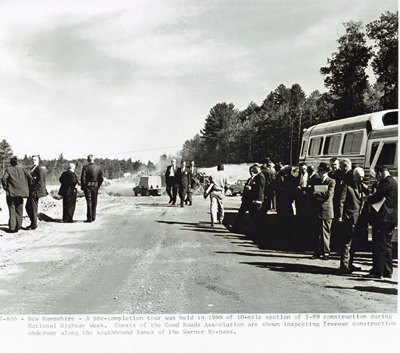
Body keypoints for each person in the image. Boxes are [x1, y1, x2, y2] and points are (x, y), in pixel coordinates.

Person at [366, 166, 398, 279]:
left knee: (380, 244)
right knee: (387, 245)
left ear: (380, 173)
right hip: (392, 218)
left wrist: (368, 199)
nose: (376, 178)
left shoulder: (385, 182)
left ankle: (378, 271)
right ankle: (387, 270)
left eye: (376, 175)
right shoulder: (394, 181)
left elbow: (377, 196)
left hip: (383, 218)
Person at [338, 167, 369, 273]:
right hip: (349, 218)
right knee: (347, 241)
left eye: (362, 177)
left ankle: (350, 263)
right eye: (358, 177)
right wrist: (340, 216)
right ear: (354, 177)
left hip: (359, 219)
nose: (361, 179)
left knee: (354, 242)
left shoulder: (362, 187)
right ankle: (344, 265)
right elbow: (341, 202)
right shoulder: (347, 186)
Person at [232, 164, 265, 234]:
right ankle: (237, 227)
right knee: (245, 214)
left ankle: (257, 230)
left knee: (255, 215)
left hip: (254, 199)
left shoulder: (260, 177)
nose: (251, 173)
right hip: (248, 199)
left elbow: (259, 189)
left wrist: (257, 198)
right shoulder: (251, 179)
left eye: (252, 171)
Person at [312, 162, 335, 260]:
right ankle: (317, 252)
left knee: (325, 232)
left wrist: (317, 194)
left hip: (326, 210)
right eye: (320, 171)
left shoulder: (331, 181)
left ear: (326, 172)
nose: (321, 173)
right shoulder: (317, 181)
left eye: (323, 171)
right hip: (317, 209)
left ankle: (326, 252)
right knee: (316, 231)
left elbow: (328, 195)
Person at [1, 156, 32, 233]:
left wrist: (6, 187)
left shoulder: (9, 170)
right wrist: (27, 186)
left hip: (11, 193)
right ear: (17, 162)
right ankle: (18, 226)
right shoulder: (22, 169)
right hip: (21, 193)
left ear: (11, 163)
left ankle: (12, 228)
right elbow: (30, 177)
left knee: (12, 209)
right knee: (19, 209)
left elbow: (3, 179)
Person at [26, 155, 47, 230]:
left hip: (35, 192)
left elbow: (40, 182)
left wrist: (33, 188)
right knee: (28, 207)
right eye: (32, 160)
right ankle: (32, 223)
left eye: (35, 160)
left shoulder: (39, 169)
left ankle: (34, 224)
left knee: (33, 208)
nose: (33, 161)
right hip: (32, 191)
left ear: (38, 161)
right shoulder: (33, 168)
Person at [81, 154, 104, 222]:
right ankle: (93, 217)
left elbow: (83, 178)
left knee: (89, 202)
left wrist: (84, 186)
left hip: (88, 186)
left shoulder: (85, 167)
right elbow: (101, 179)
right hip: (95, 186)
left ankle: (89, 218)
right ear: (93, 159)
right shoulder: (99, 167)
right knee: (94, 201)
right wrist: (98, 185)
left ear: (88, 160)